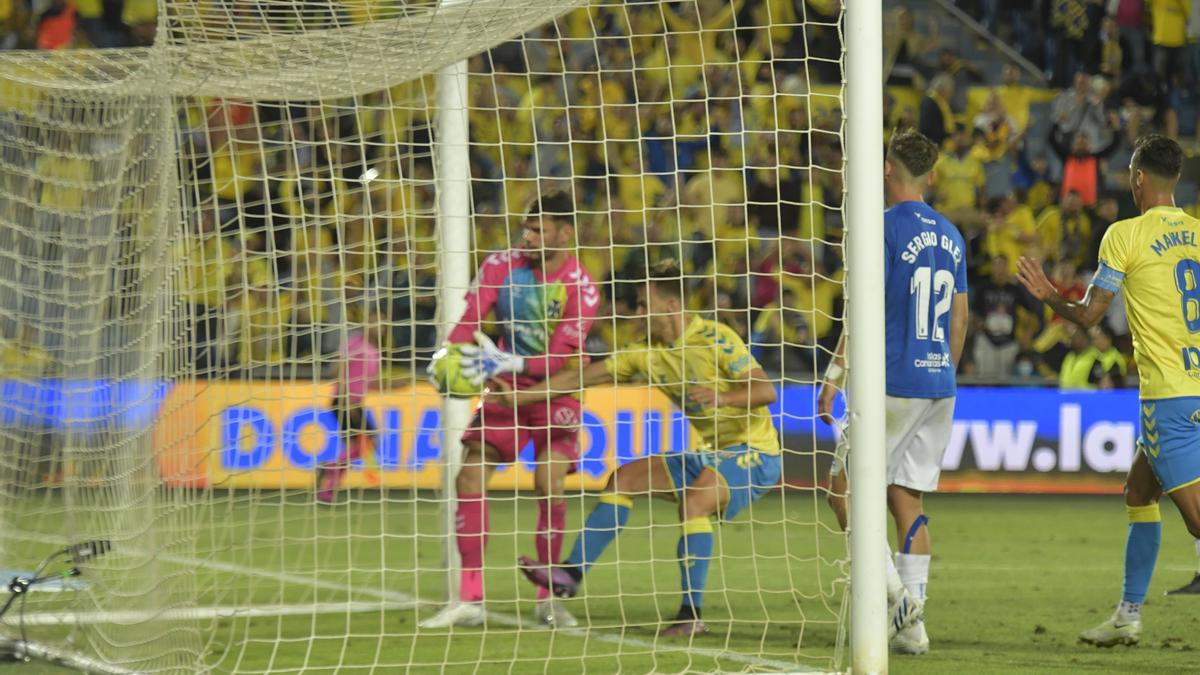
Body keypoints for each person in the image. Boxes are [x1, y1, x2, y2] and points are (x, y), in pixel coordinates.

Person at [497, 260, 781, 637]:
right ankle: (571, 573)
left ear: (670, 306)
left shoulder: (716, 337)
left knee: (693, 502)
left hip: (756, 454)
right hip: (712, 453)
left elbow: (766, 391)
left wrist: (722, 396)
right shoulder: (642, 351)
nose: (637, 313)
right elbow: (582, 376)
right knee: (624, 479)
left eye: (644, 304)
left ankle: (689, 614)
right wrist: (522, 397)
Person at [1014, 135, 1200, 645]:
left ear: (1138, 178)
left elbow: (1090, 313)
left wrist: (1049, 294)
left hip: (1168, 395)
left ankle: (1128, 615)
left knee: (1198, 520)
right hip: (1197, 385)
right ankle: (1128, 615)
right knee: (1139, 490)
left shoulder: (1124, 234)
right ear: (1175, 179)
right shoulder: (1199, 234)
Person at [819, 129, 970, 655]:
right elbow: (960, 317)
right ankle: (914, 630)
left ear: (887, 168)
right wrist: (942, 372)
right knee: (906, 496)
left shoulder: (879, 228)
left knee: (843, 487)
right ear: (929, 175)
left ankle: (895, 596)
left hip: (891, 382)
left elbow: (864, 309)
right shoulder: (952, 234)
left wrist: (834, 377)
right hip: (939, 383)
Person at [419, 190, 599, 629]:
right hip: (504, 388)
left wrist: (511, 361)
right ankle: (470, 599)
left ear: (564, 233)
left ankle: (547, 598)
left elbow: (561, 358)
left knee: (548, 481)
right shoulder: (502, 265)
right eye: (527, 226)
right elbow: (470, 318)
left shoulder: (581, 286)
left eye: (539, 229)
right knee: (469, 474)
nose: (529, 235)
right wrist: (448, 355)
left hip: (556, 392)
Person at [315, 308, 384, 504]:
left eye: (382, 324)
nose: (379, 327)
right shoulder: (356, 344)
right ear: (366, 323)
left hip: (355, 402)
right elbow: (337, 370)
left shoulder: (373, 350)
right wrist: (346, 398)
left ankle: (327, 491)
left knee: (356, 446)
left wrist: (395, 384)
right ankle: (329, 468)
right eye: (374, 321)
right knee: (367, 443)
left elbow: (367, 381)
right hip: (345, 402)